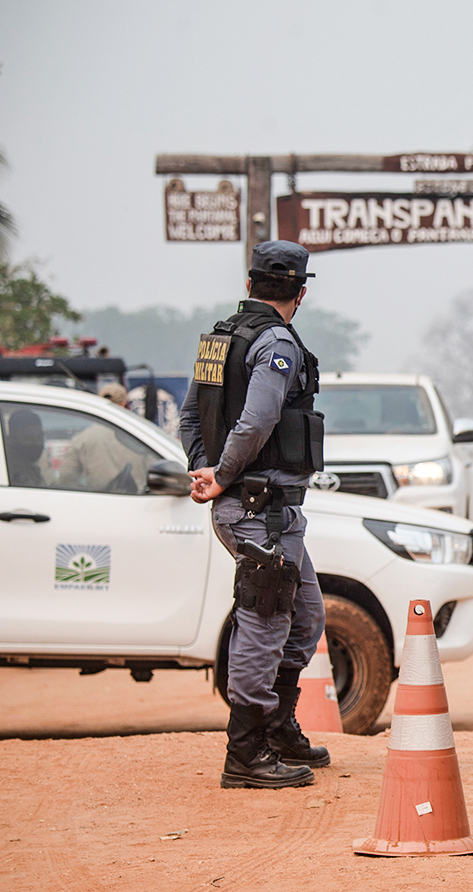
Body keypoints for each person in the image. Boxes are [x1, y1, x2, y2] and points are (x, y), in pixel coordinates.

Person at [179, 240, 328, 791]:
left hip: (262, 508)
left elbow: (190, 414)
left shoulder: (218, 339)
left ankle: (278, 729)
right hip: (258, 507)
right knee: (264, 625)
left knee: (306, 615)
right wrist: (221, 474)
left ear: (250, 285)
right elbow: (258, 421)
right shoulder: (275, 344)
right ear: (301, 292)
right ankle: (245, 753)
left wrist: (206, 468)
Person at [57, 384, 147, 493]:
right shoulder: (140, 435)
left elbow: (65, 476)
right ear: (124, 404)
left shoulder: (83, 438)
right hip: (137, 500)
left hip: (98, 500)